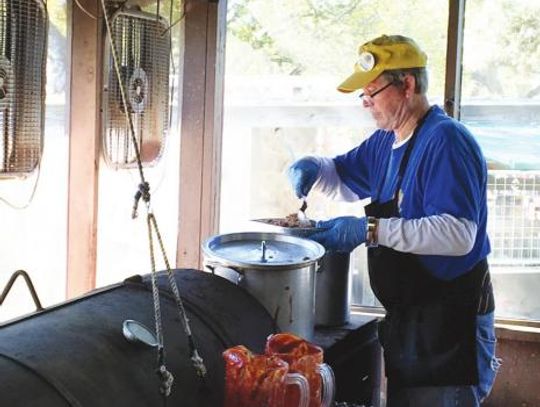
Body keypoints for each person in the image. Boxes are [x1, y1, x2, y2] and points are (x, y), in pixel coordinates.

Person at [288, 34, 500, 407]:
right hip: (410, 323)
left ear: (408, 85)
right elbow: (342, 177)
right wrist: (313, 168)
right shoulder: (386, 141)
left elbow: (458, 234)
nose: (366, 102)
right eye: (363, 94)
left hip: (450, 328)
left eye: (373, 91)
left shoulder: (445, 140)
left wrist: (369, 230)